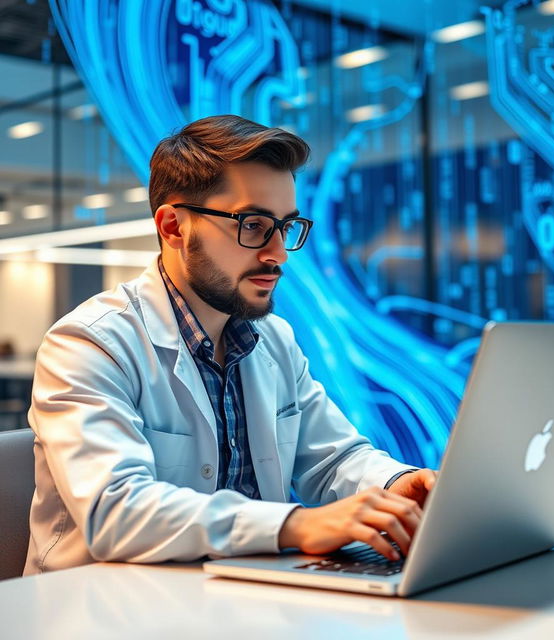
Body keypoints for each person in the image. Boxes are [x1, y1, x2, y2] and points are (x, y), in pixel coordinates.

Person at [24, 115, 437, 575]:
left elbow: (333, 458)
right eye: (254, 224)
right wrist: (296, 526)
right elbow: (116, 512)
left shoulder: (273, 340)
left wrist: (398, 483)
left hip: (241, 597)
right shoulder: (89, 343)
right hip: (105, 609)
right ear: (174, 227)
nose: (277, 253)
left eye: (286, 226)